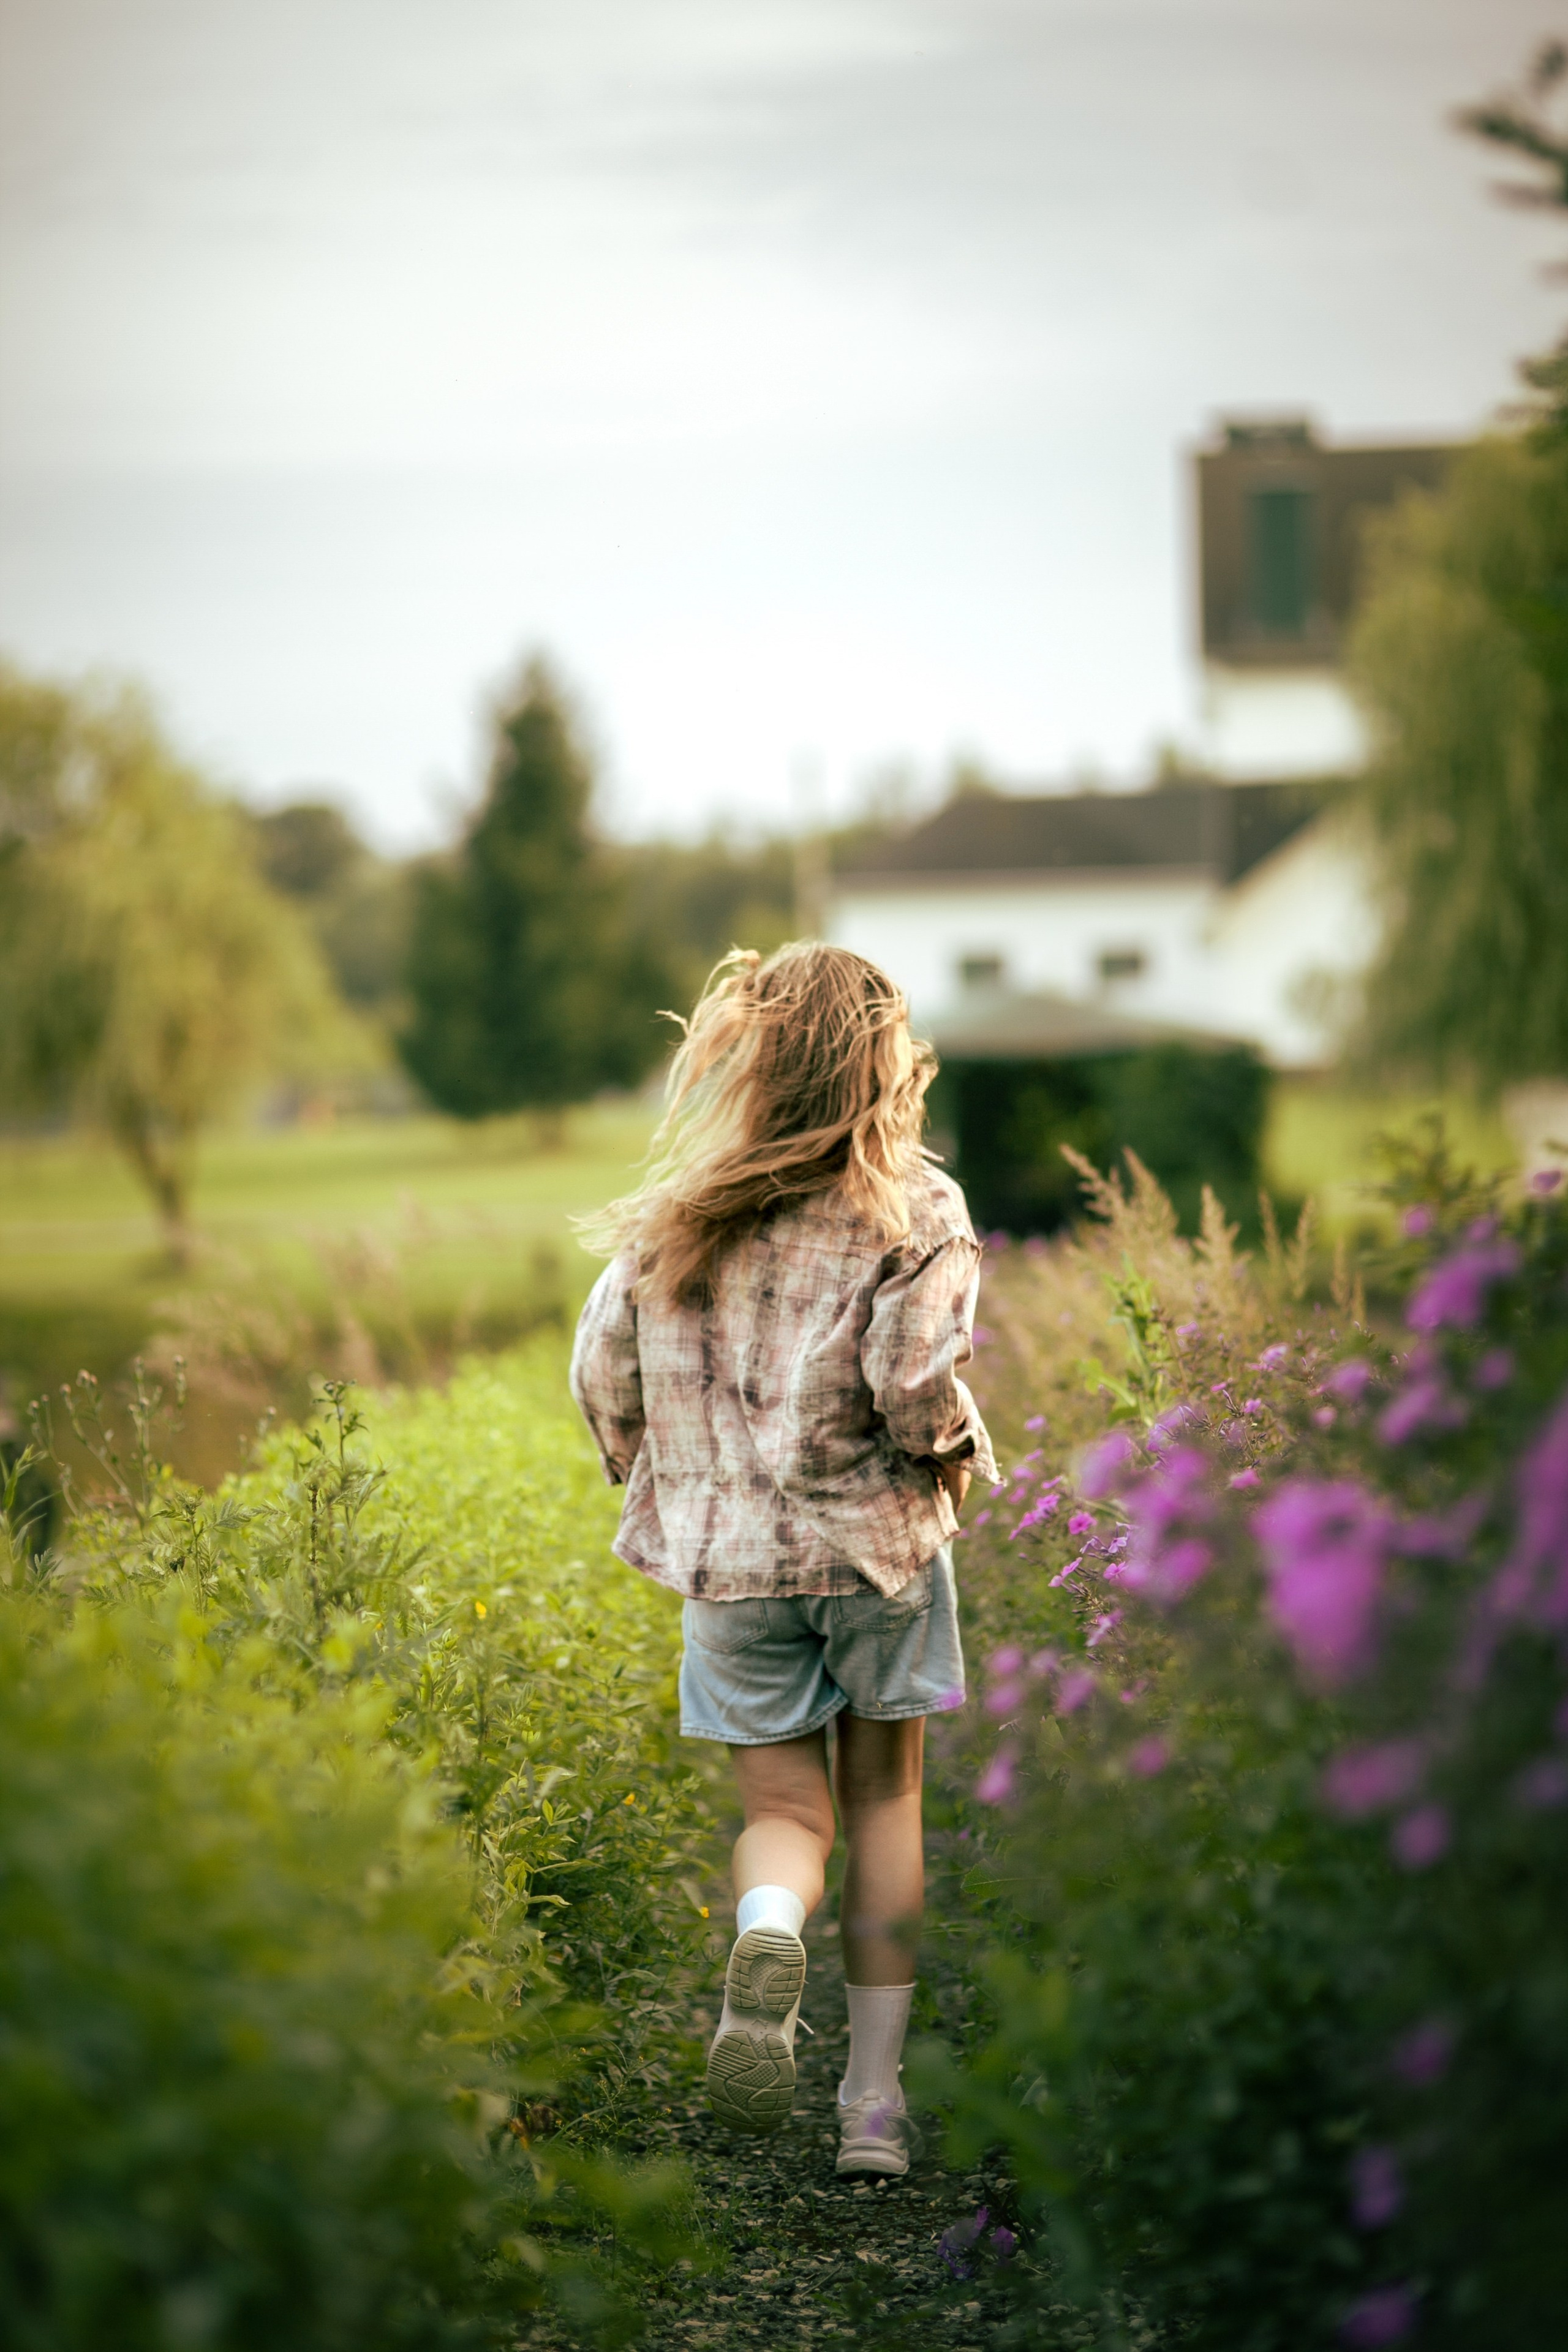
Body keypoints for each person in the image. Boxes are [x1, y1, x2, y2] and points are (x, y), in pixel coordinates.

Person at [570, 941, 996, 2179]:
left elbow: (603, 1374)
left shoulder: (679, 1211)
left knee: (782, 1815)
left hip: (731, 1570)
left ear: (754, 1060)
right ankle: (872, 2107)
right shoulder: (917, 1207)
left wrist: (667, 1475)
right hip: (874, 1556)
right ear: (882, 1064)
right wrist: (957, 1455)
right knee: (885, 1803)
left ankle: (768, 1930)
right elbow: (913, 1390)